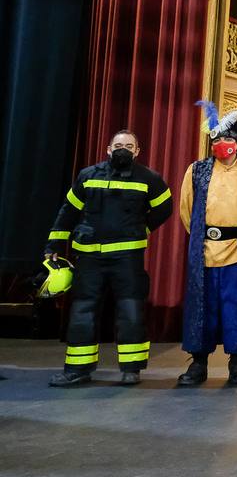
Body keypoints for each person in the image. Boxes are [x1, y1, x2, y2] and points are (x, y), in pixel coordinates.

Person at [45, 130, 173, 387]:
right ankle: (77, 369)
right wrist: (54, 243)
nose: (122, 149)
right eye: (118, 145)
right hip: (89, 257)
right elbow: (69, 210)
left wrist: (142, 229)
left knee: (130, 311)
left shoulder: (149, 178)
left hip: (127, 257)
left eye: (128, 145)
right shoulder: (88, 175)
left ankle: (131, 369)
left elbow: (164, 208)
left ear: (137, 151)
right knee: (83, 310)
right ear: (108, 148)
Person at [177, 102, 237, 388]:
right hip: (205, 248)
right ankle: (198, 363)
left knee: (235, 306)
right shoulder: (197, 170)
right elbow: (186, 210)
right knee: (202, 305)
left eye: (228, 139)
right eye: (217, 139)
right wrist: (202, 238)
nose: (222, 144)